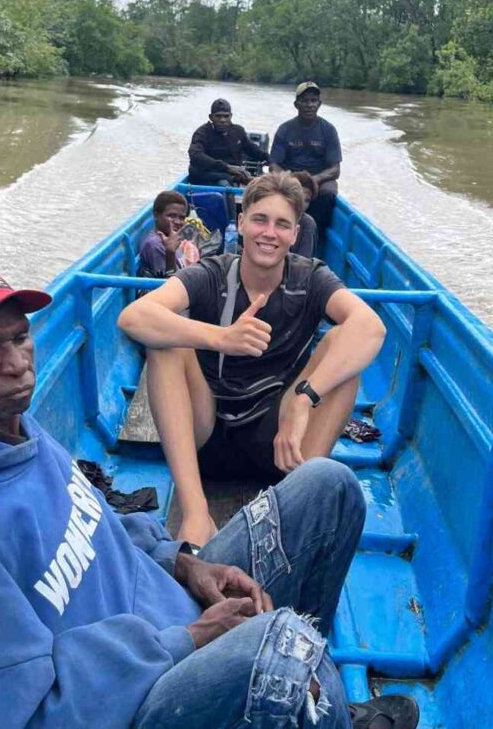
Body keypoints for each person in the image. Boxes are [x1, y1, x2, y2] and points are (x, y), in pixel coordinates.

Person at [0, 263, 418, 729]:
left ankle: (322, 707)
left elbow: (102, 524)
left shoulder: (16, 433)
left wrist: (182, 564)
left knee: (330, 488)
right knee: (281, 641)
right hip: (142, 698)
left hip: (173, 612)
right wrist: (189, 639)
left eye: (19, 336)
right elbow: (25, 716)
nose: (16, 363)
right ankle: (319, 703)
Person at [118, 172, 386, 549]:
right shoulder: (211, 274)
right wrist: (221, 337)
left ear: (296, 233)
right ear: (241, 222)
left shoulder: (311, 278)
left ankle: (299, 497)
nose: (269, 233)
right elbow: (134, 318)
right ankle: (196, 513)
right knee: (166, 341)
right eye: (259, 219)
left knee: (346, 351)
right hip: (207, 435)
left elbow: (371, 328)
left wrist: (303, 399)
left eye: (282, 224)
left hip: (280, 444)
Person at [270, 82, 342, 237]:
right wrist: (291, 180)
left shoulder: (328, 130)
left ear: (319, 104)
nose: (310, 105)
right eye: (305, 101)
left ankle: (317, 237)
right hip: (291, 177)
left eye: (313, 101)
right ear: (296, 104)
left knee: (328, 194)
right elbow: (274, 165)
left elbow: (335, 169)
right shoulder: (285, 129)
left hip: (319, 179)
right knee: (270, 190)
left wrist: (314, 180)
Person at [188, 99, 269, 219]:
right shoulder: (202, 133)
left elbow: (253, 150)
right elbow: (195, 155)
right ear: (211, 117)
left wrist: (272, 159)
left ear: (231, 116)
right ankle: (231, 222)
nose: (222, 120)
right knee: (224, 184)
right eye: (218, 116)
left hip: (236, 174)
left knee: (264, 186)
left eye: (226, 116)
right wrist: (227, 168)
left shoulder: (238, 131)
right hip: (210, 176)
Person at [138, 191, 199, 278]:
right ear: (156, 215)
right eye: (171, 216)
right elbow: (170, 285)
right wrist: (170, 252)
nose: (178, 222)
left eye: (181, 218)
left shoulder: (171, 239)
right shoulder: (156, 245)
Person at [291, 170, 319, 258]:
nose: (302, 204)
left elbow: (303, 261)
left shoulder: (307, 224)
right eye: (298, 197)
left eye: (307, 201)